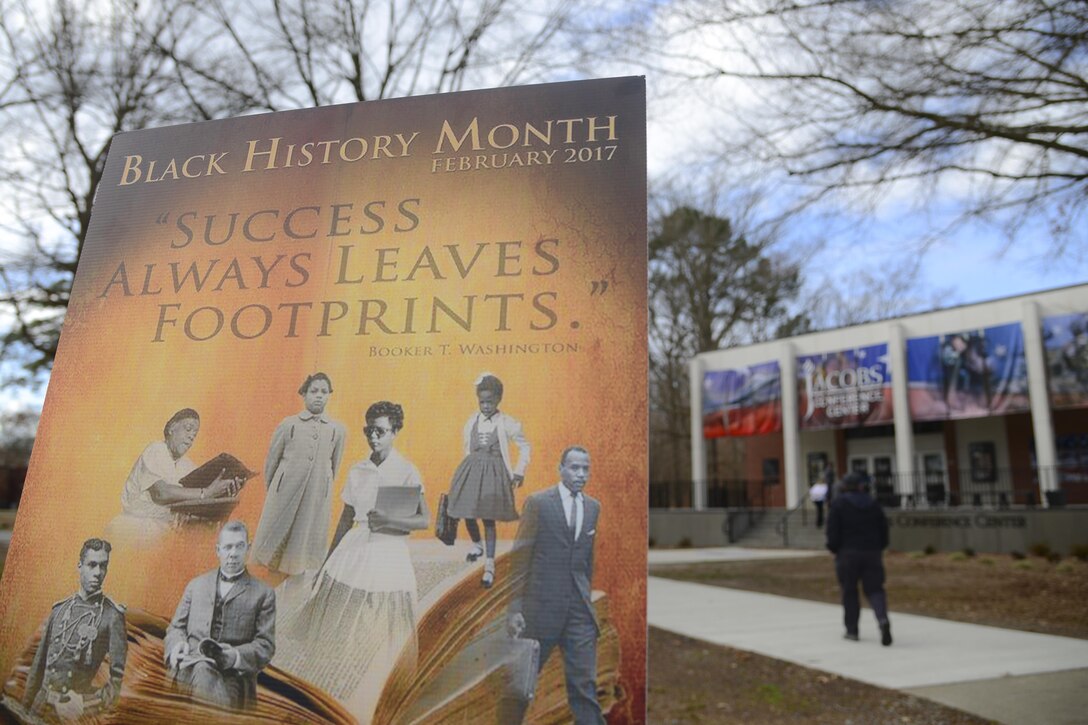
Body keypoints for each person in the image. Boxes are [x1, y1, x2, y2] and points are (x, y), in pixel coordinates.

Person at [273, 401, 429, 723]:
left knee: (378, 637)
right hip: (352, 552)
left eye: (381, 431)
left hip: (387, 555)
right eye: (369, 430)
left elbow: (422, 520)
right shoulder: (358, 469)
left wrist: (387, 517)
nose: (374, 436)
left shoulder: (406, 470)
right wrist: (328, 560)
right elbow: (345, 520)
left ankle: (374, 708)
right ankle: (330, 705)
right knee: (337, 634)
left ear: (395, 432)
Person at [505, 446, 603, 725]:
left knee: (585, 690)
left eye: (586, 468)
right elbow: (520, 559)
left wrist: (583, 598)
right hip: (540, 611)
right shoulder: (539, 503)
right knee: (520, 689)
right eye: (574, 467)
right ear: (560, 469)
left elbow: (587, 562)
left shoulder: (593, 507)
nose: (581, 474)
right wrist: (515, 608)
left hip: (579, 614)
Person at [165, 521, 275, 710]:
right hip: (187, 669)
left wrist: (235, 656)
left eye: (239, 546)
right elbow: (176, 627)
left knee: (207, 684)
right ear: (218, 550)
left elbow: (265, 646)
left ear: (248, 548)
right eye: (227, 547)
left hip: (230, 677)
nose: (233, 554)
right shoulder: (196, 585)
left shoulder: (263, 593)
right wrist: (177, 645)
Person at [252, 373, 347, 578]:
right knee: (279, 529)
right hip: (285, 489)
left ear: (329, 395)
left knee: (305, 531)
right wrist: (277, 488)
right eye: (313, 391)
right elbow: (272, 461)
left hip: (315, 492)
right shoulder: (289, 424)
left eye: (323, 392)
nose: (318, 396)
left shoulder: (337, 430)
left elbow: (335, 465)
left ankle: (297, 569)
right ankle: (273, 568)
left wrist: (322, 486)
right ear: (304, 394)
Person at [23, 538, 127, 722]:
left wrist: (86, 704)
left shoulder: (112, 616)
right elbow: (37, 668)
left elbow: (120, 681)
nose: (97, 573)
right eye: (92, 565)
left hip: (70, 714)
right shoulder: (59, 610)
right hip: (39, 707)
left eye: (103, 566)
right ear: (80, 566)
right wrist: (25, 710)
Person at [105, 409, 238, 546]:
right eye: (188, 429)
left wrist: (225, 492)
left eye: (195, 434)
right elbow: (161, 493)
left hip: (166, 533)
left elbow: (198, 506)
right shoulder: (156, 450)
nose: (192, 436)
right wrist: (207, 493)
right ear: (171, 428)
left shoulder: (188, 466)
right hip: (135, 529)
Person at [446, 373, 531, 588]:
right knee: (467, 511)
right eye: (482, 402)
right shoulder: (471, 422)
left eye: (490, 402)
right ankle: (477, 545)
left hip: (493, 474)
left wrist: (519, 471)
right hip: (472, 470)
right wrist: (466, 473)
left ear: (498, 400)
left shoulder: (508, 423)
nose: (485, 406)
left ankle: (490, 564)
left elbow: (525, 447)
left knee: (488, 518)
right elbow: (468, 448)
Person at [826, 472, 892, 646]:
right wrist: (879, 547)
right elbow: (883, 529)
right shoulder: (873, 503)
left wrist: (834, 548)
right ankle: (882, 619)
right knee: (875, 589)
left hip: (847, 554)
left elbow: (832, 531)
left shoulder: (839, 504)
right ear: (861, 486)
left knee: (849, 591)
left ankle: (852, 630)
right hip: (872, 553)